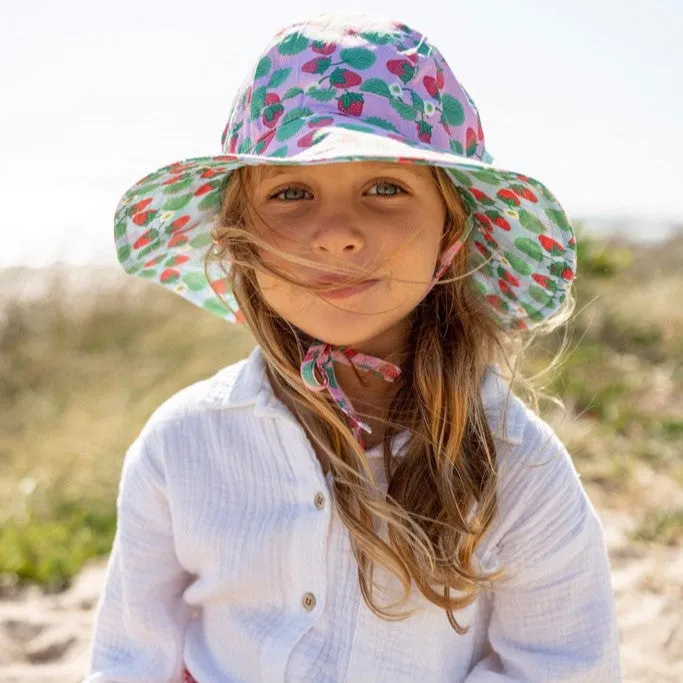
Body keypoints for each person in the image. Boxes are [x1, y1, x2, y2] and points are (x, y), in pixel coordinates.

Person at [86, 11, 622, 682]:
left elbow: (563, 666)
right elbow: (129, 655)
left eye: (384, 187)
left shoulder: (516, 465)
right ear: (239, 242)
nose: (336, 233)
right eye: (290, 191)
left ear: (450, 235)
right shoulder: (182, 443)